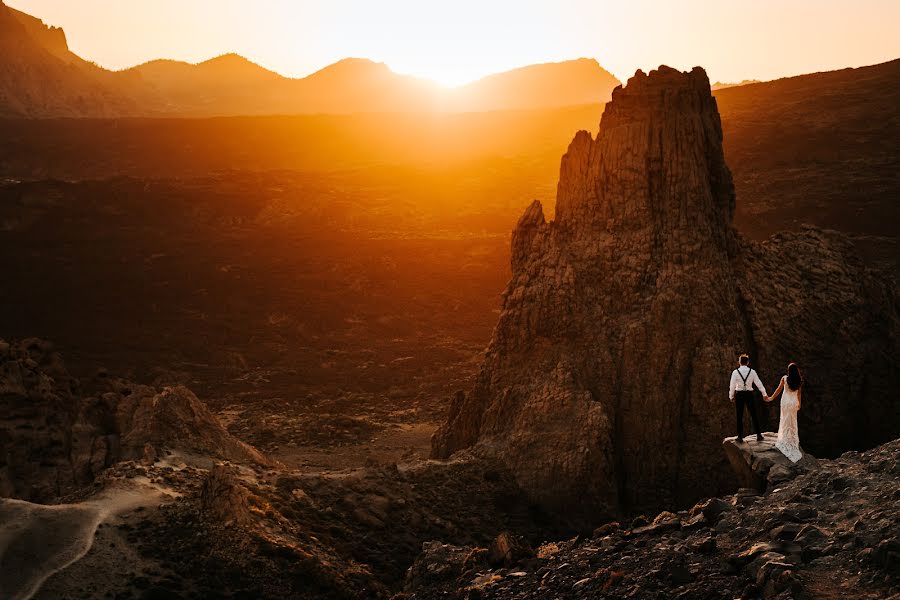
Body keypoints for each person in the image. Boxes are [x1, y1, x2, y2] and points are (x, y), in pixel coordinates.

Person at [765, 362, 804, 462]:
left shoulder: (785, 378)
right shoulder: (799, 380)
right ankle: (792, 440)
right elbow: (799, 394)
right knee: (792, 421)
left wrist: (771, 398)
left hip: (785, 402)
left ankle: (785, 439)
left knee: (785, 420)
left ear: (789, 371)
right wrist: (799, 404)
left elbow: (778, 390)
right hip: (793, 402)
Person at [729, 353, 767, 442]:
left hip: (739, 394)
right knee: (753, 414)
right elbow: (759, 383)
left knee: (739, 415)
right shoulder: (752, 372)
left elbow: (732, 385)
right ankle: (758, 435)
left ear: (739, 362)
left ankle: (740, 437)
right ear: (748, 362)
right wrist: (764, 394)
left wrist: (731, 396)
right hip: (749, 394)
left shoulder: (735, 372)